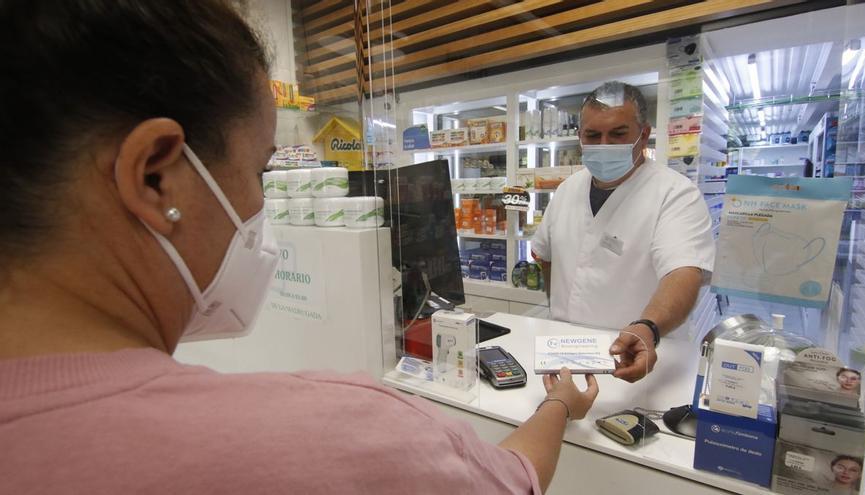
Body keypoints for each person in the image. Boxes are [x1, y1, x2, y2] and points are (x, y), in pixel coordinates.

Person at [0, 1, 598, 493]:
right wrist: (559, 407)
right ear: (158, 177)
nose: (261, 208)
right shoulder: (340, 440)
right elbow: (514, 481)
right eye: (259, 169)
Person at [532, 81, 715, 383]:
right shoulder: (567, 190)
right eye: (593, 135)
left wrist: (649, 327)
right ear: (580, 136)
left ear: (643, 135)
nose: (603, 144)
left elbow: (684, 274)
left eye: (617, 134)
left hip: (638, 357)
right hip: (564, 354)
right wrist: (558, 312)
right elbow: (547, 256)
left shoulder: (675, 194)